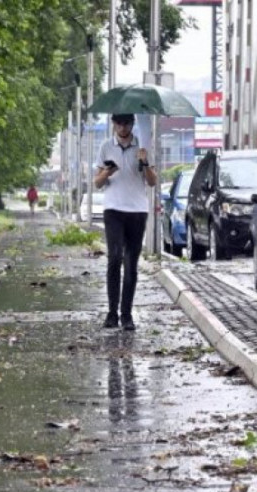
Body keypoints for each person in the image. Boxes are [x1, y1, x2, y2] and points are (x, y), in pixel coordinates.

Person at [94, 113, 157, 331]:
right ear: (114, 124)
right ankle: (111, 313)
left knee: (131, 263)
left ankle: (127, 314)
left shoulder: (143, 146)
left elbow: (152, 182)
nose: (122, 127)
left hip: (137, 211)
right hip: (113, 209)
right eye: (118, 123)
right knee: (115, 258)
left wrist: (145, 162)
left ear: (132, 124)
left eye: (127, 123)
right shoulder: (105, 147)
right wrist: (108, 171)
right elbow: (97, 183)